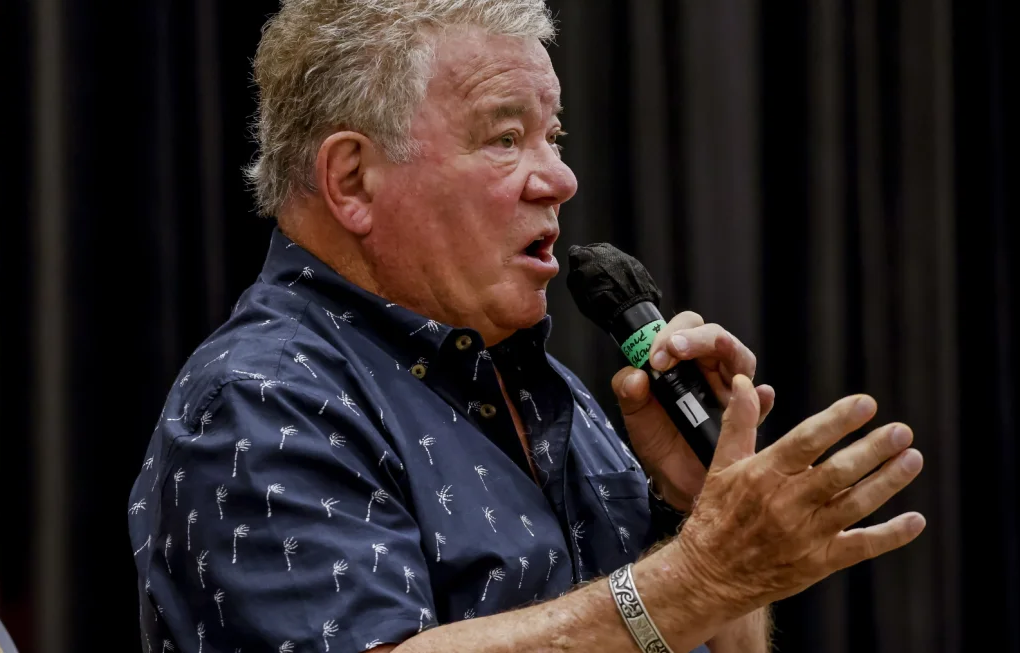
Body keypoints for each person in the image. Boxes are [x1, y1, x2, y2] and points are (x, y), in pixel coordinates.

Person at [127, 1, 926, 651]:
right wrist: (698, 573)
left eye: (555, 136)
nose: (561, 177)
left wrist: (701, 506)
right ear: (352, 179)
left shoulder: (544, 387)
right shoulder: (259, 398)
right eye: (505, 138)